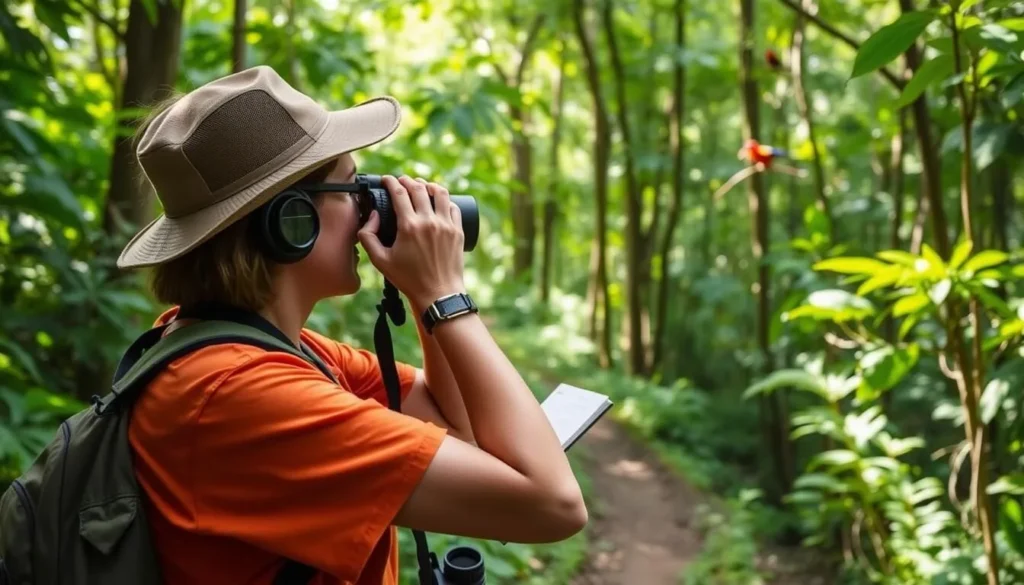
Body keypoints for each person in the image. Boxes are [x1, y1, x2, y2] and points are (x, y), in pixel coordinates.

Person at [119, 65, 587, 585]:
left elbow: (458, 425)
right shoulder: (241, 396)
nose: (372, 204)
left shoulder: (260, 352)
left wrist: (423, 290)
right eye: (351, 186)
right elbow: (554, 505)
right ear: (290, 222)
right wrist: (446, 294)